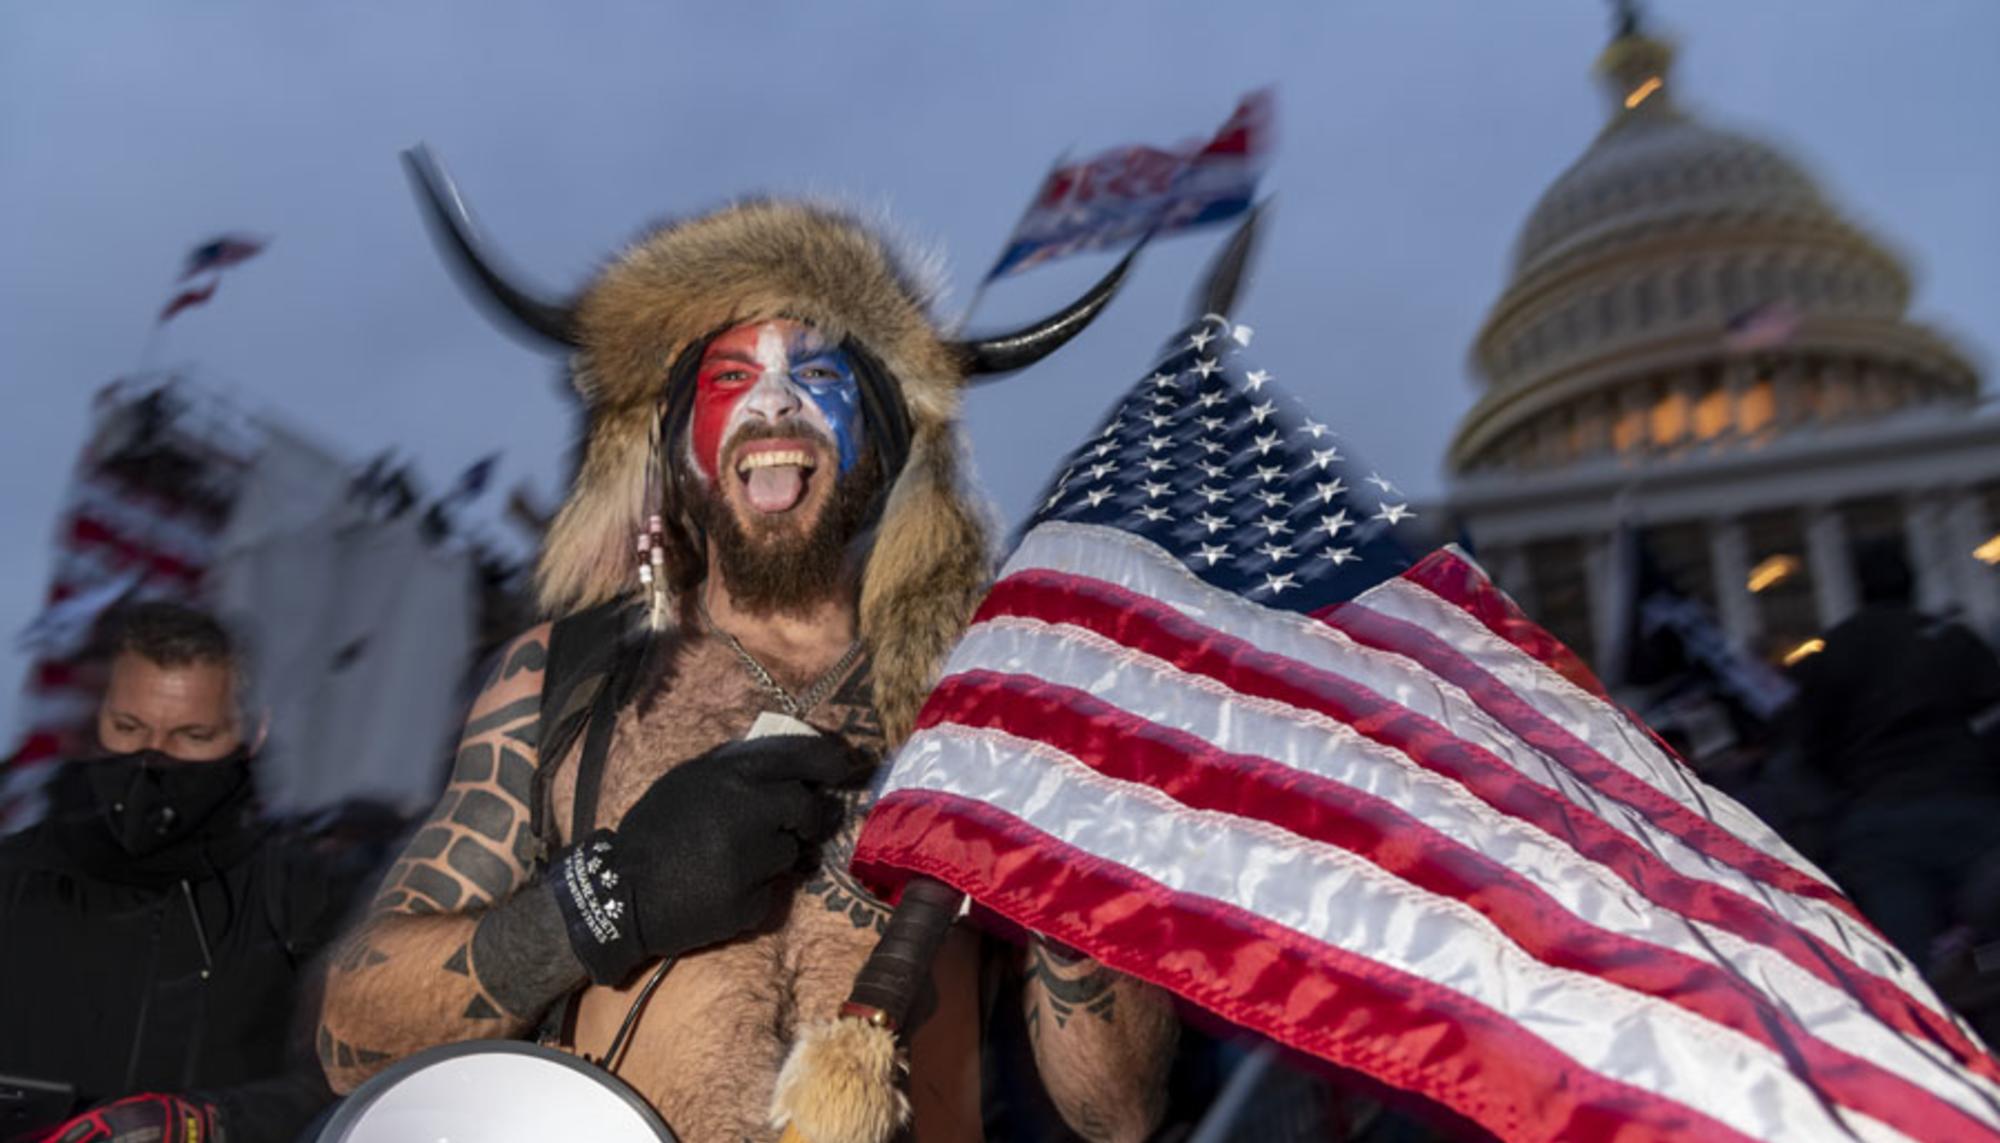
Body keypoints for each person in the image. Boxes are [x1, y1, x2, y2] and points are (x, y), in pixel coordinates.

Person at [316, 186, 1177, 1141]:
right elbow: (356, 1037)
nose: (775, 403)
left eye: (819, 375)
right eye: (730, 379)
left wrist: (1067, 828)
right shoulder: (563, 677)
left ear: (884, 445)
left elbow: (1118, 1110)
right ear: (685, 447)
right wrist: (610, 900)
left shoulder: (985, 703)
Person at [0, 601, 351, 1142]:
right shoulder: (14, 877)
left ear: (250, 732)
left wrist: (204, 1121)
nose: (152, 757)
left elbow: (350, 1079)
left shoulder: (308, 899)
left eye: (192, 735)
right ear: (99, 719)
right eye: (129, 727)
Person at [1784, 538, 2000, 966]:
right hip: (1967, 805)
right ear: (1913, 583)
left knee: (1913, 968)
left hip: (1878, 818)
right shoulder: (1949, 639)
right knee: (1991, 948)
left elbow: (1811, 748)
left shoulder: (1835, 651)